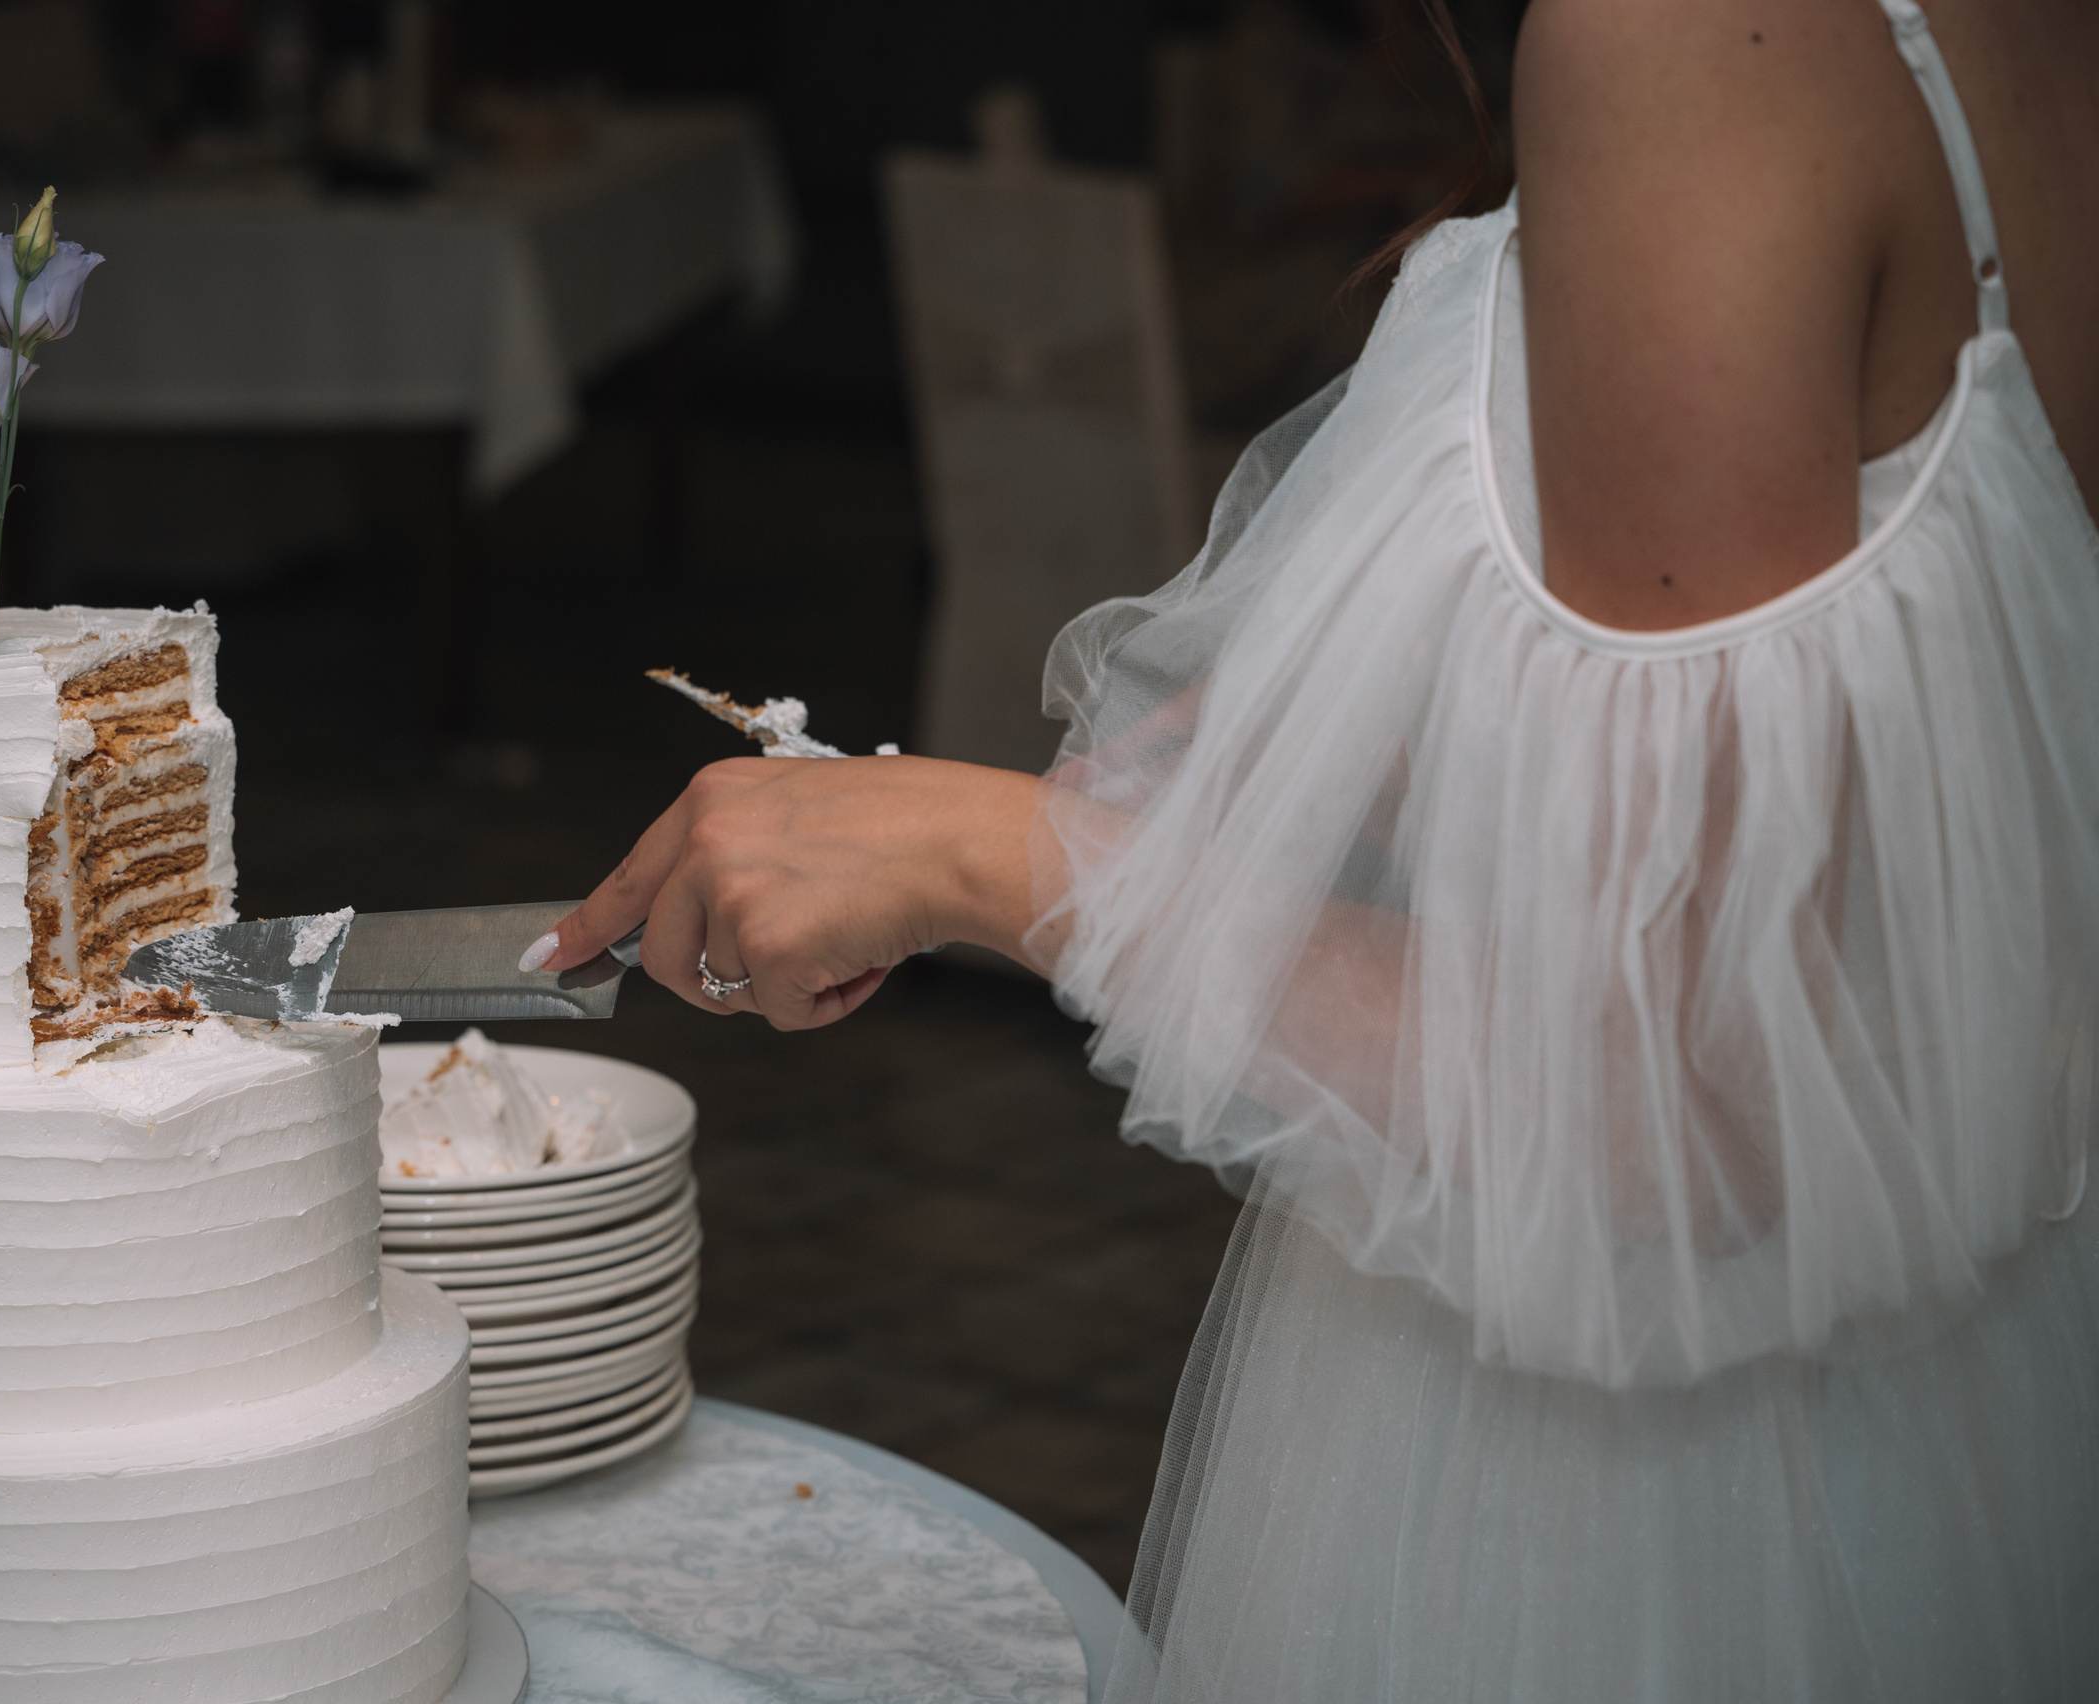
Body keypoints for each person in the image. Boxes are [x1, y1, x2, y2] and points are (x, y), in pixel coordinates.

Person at [528, 0, 2099, 1696]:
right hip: (1959, 1378)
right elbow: (1943, 686)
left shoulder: (1690, 35)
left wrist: (998, 855)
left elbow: (1683, 1100)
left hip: (1641, 1519)